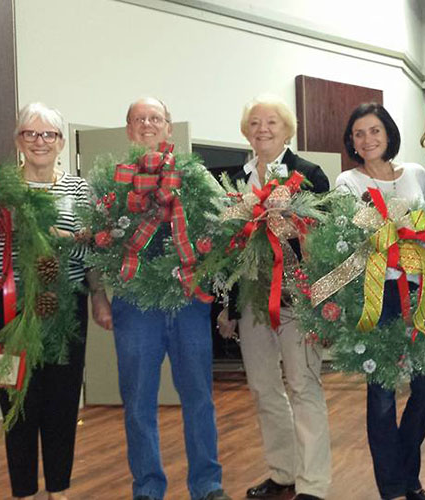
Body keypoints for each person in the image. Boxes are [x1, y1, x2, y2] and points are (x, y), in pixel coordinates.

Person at [0, 102, 112, 499]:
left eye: (48, 134)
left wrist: (97, 295)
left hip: (66, 305)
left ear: (61, 142)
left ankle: (58, 489)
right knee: (17, 405)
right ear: (18, 141)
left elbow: (93, 251)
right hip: (7, 309)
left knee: (61, 404)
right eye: (30, 133)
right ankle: (23, 492)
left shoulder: (79, 189)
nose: (39, 141)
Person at [92, 97, 231, 500]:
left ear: (170, 128)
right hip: (135, 304)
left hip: (188, 301)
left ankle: (207, 484)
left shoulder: (196, 175)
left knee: (199, 398)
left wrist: (217, 291)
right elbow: (95, 242)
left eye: (156, 118)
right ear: (128, 129)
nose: (148, 124)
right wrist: (98, 295)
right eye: (139, 119)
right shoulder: (111, 180)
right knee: (137, 401)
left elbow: (222, 227)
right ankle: (148, 488)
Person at [218, 95, 331, 500]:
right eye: (254, 123)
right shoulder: (236, 178)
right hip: (251, 301)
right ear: (245, 130)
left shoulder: (310, 174)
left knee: (304, 387)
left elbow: (324, 240)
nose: (262, 129)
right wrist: (228, 307)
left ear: (288, 130)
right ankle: (283, 472)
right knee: (264, 388)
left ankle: (314, 485)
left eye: (272, 123)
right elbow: (228, 248)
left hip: (298, 298)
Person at [336, 102, 425, 500]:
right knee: (383, 393)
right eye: (359, 134)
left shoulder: (418, 174)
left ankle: (406, 470)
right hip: (379, 292)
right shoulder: (347, 183)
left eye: (374, 131)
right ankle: (392, 486)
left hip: (421, 289)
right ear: (352, 143)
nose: (367, 139)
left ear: (388, 133)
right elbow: (350, 233)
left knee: (423, 388)